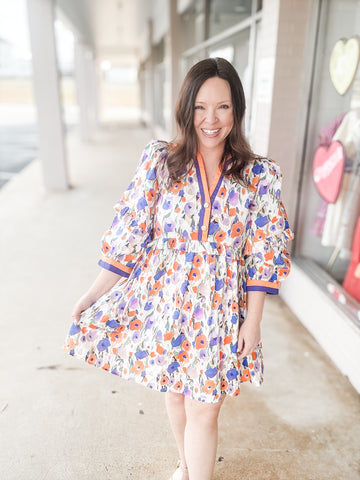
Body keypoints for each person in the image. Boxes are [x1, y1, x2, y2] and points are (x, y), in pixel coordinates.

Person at [64, 57, 293, 480]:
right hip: (166, 299)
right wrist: (94, 293)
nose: (211, 119)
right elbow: (130, 232)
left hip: (219, 306)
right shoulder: (160, 162)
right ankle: (187, 466)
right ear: (186, 109)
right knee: (176, 395)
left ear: (237, 111)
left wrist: (254, 321)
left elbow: (264, 251)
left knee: (205, 408)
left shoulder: (259, 175)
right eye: (201, 107)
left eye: (223, 107)